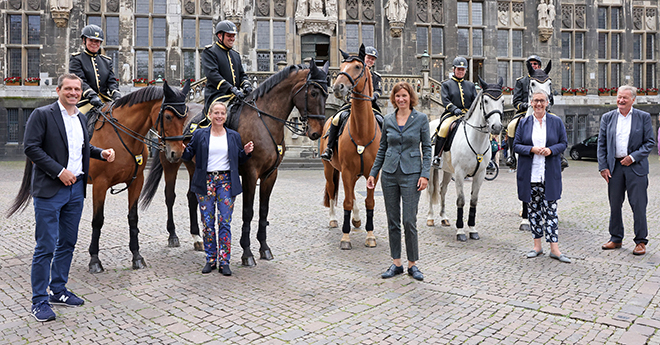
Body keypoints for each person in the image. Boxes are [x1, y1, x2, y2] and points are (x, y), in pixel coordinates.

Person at [24, 74, 116, 322]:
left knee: (68, 242)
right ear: (58, 90)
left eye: (77, 89)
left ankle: (58, 290)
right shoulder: (42, 115)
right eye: (68, 89)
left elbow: (80, 149)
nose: (73, 92)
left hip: (76, 190)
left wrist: (101, 152)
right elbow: (31, 148)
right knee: (45, 246)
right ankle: (39, 301)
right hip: (50, 190)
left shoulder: (81, 117)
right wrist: (58, 171)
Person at [366, 81, 431, 281]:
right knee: (392, 221)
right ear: (393, 99)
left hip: (412, 174)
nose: (401, 99)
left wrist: (425, 174)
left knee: (409, 220)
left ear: (411, 97)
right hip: (389, 174)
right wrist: (372, 173)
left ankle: (413, 264)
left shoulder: (421, 119)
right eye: (397, 96)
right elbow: (382, 148)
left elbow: (427, 149)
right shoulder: (387, 119)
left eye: (404, 95)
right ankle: (396, 263)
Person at [182, 101, 254, 275]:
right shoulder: (199, 134)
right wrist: (181, 149)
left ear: (225, 116)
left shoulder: (233, 136)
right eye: (216, 113)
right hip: (205, 181)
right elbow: (187, 155)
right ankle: (211, 259)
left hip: (226, 182)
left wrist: (245, 152)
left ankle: (224, 261)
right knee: (207, 223)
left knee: (224, 222)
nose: (219, 116)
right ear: (210, 115)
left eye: (222, 113)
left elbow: (238, 160)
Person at [598, 85, 655, 255]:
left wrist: (633, 157)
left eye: (625, 98)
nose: (621, 100)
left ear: (633, 100)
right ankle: (615, 238)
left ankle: (640, 241)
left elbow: (649, 142)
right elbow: (602, 144)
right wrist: (603, 166)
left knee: (638, 205)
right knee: (615, 205)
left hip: (636, 168)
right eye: (619, 97)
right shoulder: (607, 117)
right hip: (614, 168)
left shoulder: (643, 117)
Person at [513, 91, 569, 263]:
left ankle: (555, 249)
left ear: (547, 103)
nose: (538, 104)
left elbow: (563, 143)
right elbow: (516, 145)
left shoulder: (556, 121)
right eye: (536, 101)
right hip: (530, 175)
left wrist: (551, 150)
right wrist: (532, 149)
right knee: (533, 212)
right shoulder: (523, 122)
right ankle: (537, 247)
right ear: (531, 103)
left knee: (551, 211)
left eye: (542, 101)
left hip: (549, 174)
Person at [320, 46, 383, 161]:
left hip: (371, 106)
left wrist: (373, 96)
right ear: (364, 58)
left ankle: (386, 150)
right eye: (368, 58)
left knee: (382, 121)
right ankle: (329, 148)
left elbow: (379, 90)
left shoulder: (376, 76)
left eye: (373, 59)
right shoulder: (353, 71)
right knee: (336, 119)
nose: (370, 60)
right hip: (352, 105)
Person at [507, 55, 554, 168]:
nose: (534, 66)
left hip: (543, 111)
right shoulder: (521, 81)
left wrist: (547, 105)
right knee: (511, 126)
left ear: (539, 66)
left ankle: (560, 156)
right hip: (524, 112)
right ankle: (511, 155)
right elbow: (516, 101)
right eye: (531, 64)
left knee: (557, 123)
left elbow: (551, 98)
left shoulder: (546, 81)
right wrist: (524, 105)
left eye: (536, 64)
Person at [432, 57, 477, 168]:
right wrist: (454, 109)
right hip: (452, 114)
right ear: (454, 69)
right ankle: (437, 156)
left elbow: (475, 102)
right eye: (458, 69)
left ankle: (487, 159)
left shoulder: (470, 86)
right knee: (443, 128)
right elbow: (445, 100)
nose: (461, 71)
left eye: (463, 69)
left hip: (468, 115)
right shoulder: (446, 84)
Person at [201, 20, 252, 117]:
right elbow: (213, 75)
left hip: (236, 96)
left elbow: (242, 75)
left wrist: (246, 84)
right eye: (229, 36)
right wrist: (231, 89)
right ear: (220, 36)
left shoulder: (235, 55)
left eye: (233, 36)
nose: (232, 38)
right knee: (219, 117)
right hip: (218, 96)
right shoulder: (210, 52)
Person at [69, 24, 121, 114]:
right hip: (85, 101)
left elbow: (111, 82)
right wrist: (91, 95)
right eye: (91, 40)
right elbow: (80, 81)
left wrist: (116, 95)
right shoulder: (77, 59)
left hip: (105, 100)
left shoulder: (106, 61)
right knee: (78, 118)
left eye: (97, 41)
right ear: (84, 40)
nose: (94, 43)